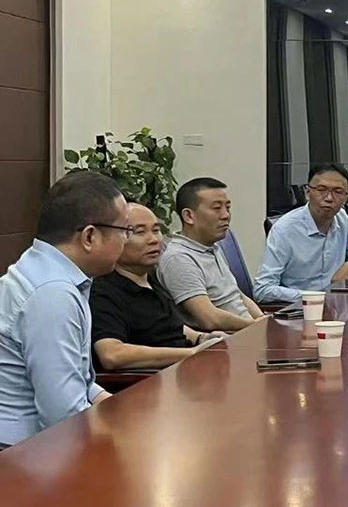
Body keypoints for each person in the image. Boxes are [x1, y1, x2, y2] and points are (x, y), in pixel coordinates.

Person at [0, 172, 125, 447]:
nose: (125, 241)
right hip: (20, 454)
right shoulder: (52, 294)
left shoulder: (46, 268)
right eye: (124, 231)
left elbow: (80, 381)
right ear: (90, 236)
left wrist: (123, 412)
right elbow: (63, 417)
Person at [90, 203, 222, 371]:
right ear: (114, 238)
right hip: (153, 379)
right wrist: (192, 353)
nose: (153, 239)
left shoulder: (150, 278)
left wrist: (202, 338)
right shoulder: (103, 291)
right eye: (140, 232)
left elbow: (169, 326)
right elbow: (112, 354)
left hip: (186, 368)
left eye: (156, 230)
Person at [253, 163, 348, 305]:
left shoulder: (341, 218)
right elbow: (262, 290)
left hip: (337, 307)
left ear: (346, 198)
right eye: (321, 190)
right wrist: (316, 297)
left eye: (338, 192)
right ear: (307, 193)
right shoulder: (284, 229)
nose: (329, 198)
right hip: (301, 309)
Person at [157, 177, 264, 332]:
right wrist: (255, 325)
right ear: (189, 216)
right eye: (216, 208)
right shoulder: (179, 258)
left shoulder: (212, 247)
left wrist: (263, 320)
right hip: (227, 340)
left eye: (228, 207)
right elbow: (208, 318)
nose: (226, 215)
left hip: (249, 332)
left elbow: (237, 295)